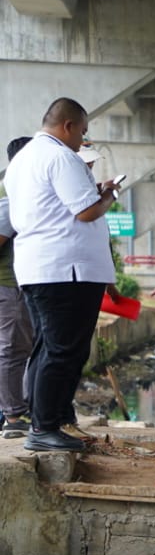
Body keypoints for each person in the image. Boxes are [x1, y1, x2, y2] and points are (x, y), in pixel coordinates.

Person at [6, 98, 121, 453]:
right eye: (82, 133)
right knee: (62, 350)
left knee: (48, 348)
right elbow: (85, 212)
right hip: (66, 270)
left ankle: (48, 421)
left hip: (42, 268)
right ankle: (44, 427)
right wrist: (109, 196)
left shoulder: (23, 159)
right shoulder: (60, 157)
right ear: (68, 125)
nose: (82, 142)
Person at [0, 136, 34, 438]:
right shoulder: (11, 195)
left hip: (19, 284)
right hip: (8, 285)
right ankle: (13, 417)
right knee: (12, 349)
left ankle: (14, 410)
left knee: (20, 347)